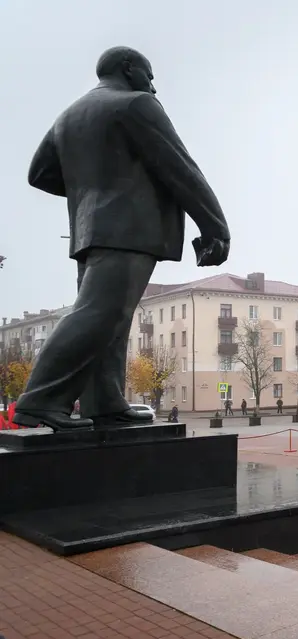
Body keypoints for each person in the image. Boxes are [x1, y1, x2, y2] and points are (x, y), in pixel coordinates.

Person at [13, 47, 230, 430]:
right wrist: (214, 225)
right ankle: (41, 399)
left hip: (89, 230)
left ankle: (104, 400)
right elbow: (179, 167)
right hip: (129, 228)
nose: (153, 85)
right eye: (150, 74)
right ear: (129, 69)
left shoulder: (70, 116)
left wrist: (91, 188)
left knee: (113, 317)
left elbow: (40, 172)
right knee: (102, 313)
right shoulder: (136, 105)